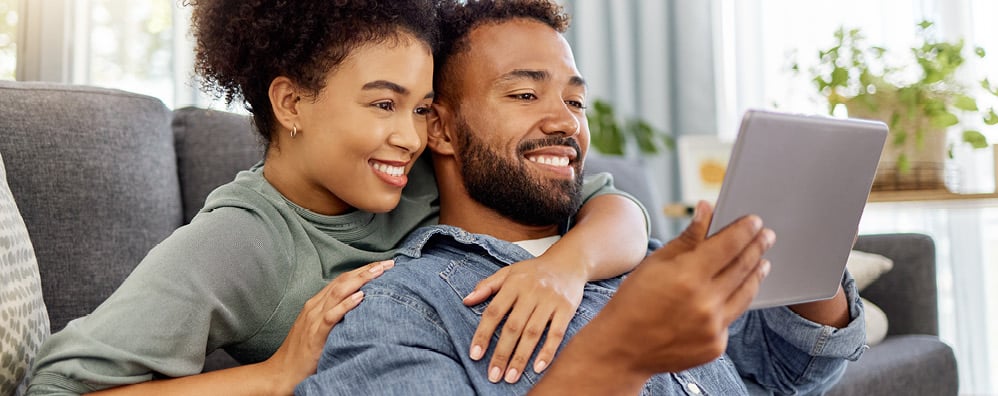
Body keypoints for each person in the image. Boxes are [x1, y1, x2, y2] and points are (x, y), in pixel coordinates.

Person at [27, 1, 652, 395]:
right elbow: (56, 388)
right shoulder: (243, 241)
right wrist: (273, 375)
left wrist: (565, 266)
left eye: (422, 109)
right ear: (292, 103)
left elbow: (613, 206)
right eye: (383, 104)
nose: (410, 137)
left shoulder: (418, 171)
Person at [295, 0, 867, 394]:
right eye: (524, 94)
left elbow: (785, 371)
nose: (565, 121)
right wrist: (622, 353)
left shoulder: (641, 262)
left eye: (575, 101)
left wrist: (812, 241)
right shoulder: (400, 309)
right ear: (440, 129)